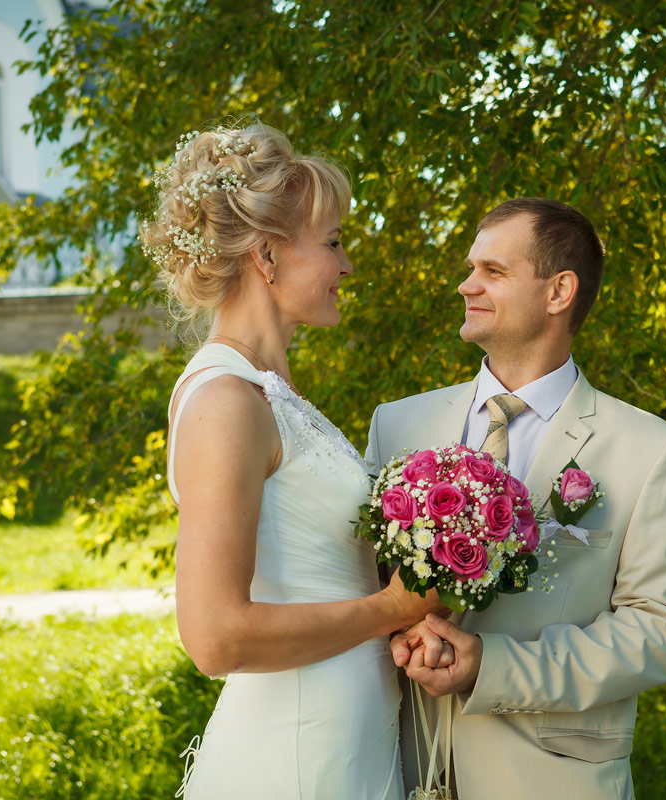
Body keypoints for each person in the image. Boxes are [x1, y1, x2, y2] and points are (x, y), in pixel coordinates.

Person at [365, 198, 666, 799]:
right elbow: (365, 587)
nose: (467, 284)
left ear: (559, 291)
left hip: (550, 778)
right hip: (397, 765)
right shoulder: (397, 425)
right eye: (472, 268)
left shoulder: (651, 450)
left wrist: (493, 668)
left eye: (493, 271)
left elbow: (662, 630)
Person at [143, 123, 443, 799]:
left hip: (350, 747)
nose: (347, 265)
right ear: (268, 255)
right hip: (297, 760)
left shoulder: (271, 393)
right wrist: (390, 607)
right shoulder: (226, 400)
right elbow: (215, 637)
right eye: (333, 243)